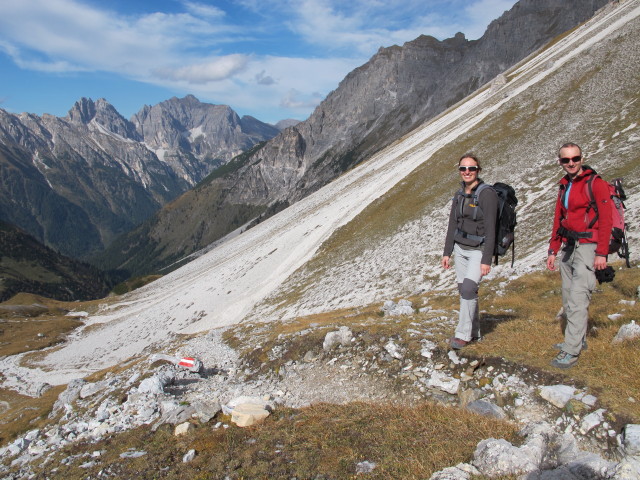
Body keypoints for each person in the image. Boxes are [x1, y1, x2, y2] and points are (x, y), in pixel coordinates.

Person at [546, 143, 612, 369]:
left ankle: (571, 350)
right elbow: (559, 218)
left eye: (575, 158)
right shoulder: (564, 185)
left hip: (588, 246)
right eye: (566, 160)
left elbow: (606, 220)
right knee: (567, 296)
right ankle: (577, 338)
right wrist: (553, 249)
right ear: (560, 162)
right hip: (569, 245)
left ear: (582, 158)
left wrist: (601, 253)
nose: (571, 163)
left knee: (578, 298)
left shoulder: (596, 184)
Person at [442, 154, 498, 349]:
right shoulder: (459, 194)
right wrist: (447, 252)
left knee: (468, 289)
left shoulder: (486, 194)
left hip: (478, 250)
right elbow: (452, 224)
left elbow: (492, 228)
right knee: (465, 290)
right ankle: (474, 332)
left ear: (478, 171)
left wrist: (487, 259)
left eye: (471, 168)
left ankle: (463, 335)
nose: (467, 172)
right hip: (460, 248)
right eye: (463, 169)